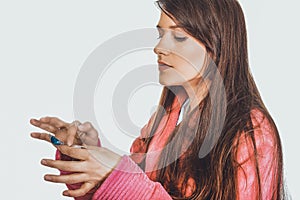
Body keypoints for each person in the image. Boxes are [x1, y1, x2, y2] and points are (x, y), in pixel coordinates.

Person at [30, 0, 286, 199]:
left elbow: (133, 189)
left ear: (217, 46)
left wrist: (117, 173)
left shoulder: (250, 132)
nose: (159, 48)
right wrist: (85, 155)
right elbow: (122, 194)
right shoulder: (164, 121)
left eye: (179, 37)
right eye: (160, 34)